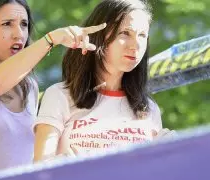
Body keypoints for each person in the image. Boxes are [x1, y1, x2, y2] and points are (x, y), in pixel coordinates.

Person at [0, 0, 106, 179]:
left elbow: (25, 156)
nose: (19, 34)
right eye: (7, 24)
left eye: (24, 24)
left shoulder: (29, 87)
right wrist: (51, 39)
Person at [34, 0, 175, 162]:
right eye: (125, 33)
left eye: (142, 35)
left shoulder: (149, 109)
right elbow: (39, 168)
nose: (135, 45)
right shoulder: (59, 96)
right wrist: (69, 168)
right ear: (99, 35)